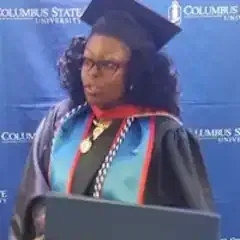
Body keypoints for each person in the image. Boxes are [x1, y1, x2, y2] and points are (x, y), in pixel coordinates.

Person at [9, 0, 215, 239]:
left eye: (108, 65)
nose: (92, 73)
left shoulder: (164, 137)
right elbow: (28, 209)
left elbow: (191, 230)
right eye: (87, 61)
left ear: (137, 71)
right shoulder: (61, 123)